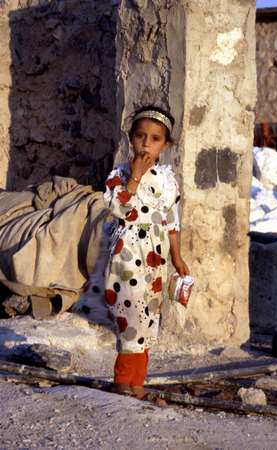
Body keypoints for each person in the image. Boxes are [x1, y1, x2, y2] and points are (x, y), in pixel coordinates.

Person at [101, 105, 189, 398]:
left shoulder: (166, 179)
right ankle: (121, 382)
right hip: (127, 256)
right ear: (131, 138)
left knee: (149, 319)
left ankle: (138, 384)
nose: (146, 143)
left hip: (156, 257)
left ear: (166, 144)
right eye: (141, 136)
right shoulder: (120, 175)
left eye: (155, 138)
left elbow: (171, 220)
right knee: (131, 319)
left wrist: (176, 257)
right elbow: (120, 207)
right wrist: (135, 176)